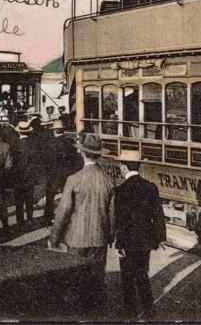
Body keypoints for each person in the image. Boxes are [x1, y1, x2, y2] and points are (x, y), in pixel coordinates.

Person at [49, 132, 115, 310]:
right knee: (96, 279)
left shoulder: (73, 179)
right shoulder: (108, 180)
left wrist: (54, 237)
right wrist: (110, 236)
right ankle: (95, 312)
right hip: (99, 237)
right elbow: (112, 214)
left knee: (75, 279)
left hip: (76, 238)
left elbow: (63, 212)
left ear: (82, 153)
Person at [113, 160, 166, 318]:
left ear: (124, 167)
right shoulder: (150, 187)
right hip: (145, 239)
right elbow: (158, 215)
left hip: (128, 241)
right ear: (139, 167)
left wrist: (119, 243)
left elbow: (120, 221)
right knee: (142, 274)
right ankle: (149, 310)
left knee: (127, 278)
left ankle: (131, 313)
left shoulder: (121, 190)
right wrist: (160, 238)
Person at [13, 120, 38, 229]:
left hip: (18, 176)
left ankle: (20, 221)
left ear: (19, 132)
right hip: (30, 175)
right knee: (29, 199)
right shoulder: (33, 144)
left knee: (19, 201)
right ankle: (30, 219)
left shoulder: (15, 145)